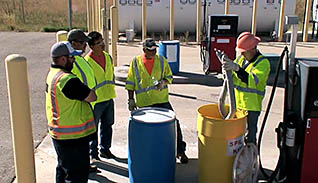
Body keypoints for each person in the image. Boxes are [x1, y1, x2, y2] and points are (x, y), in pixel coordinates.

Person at [125, 38, 188, 163]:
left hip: (161, 100)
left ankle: (180, 151)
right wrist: (131, 99)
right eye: (150, 50)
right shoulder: (135, 63)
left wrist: (163, 82)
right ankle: (147, 154)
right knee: (145, 130)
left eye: (154, 49)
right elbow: (130, 82)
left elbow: (169, 77)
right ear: (144, 50)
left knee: (174, 124)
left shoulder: (161, 60)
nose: (153, 52)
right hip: (144, 102)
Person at [46, 41, 97, 183]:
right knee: (77, 176)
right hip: (73, 137)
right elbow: (92, 96)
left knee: (63, 170)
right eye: (72, 58)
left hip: (60, 134)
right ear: (63, 59)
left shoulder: (53, 74)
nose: (74, 60)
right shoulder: (67, 80)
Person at [222, 32, 270, 144]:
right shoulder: (241, 60)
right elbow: (233, 79)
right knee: (237, 138)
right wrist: (226, 72)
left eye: (244, 52)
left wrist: (237, 69)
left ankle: (250, 159)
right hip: (238, 106)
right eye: (241, 52)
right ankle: (240, 159)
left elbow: (252, 80)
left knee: (249, 137)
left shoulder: (263, 63)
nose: (242, 54)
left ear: (253, 49)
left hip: (251, 108)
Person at [85, 31, 116, 160]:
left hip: (108, 97)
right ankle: (93, 154)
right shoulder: (87, 62)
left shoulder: (108, 57)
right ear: (91, 46)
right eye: (98, 43)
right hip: (96, 101)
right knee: (93, 129)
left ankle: (105, 149)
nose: (102, 44)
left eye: (102, 41)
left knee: (108, 125)